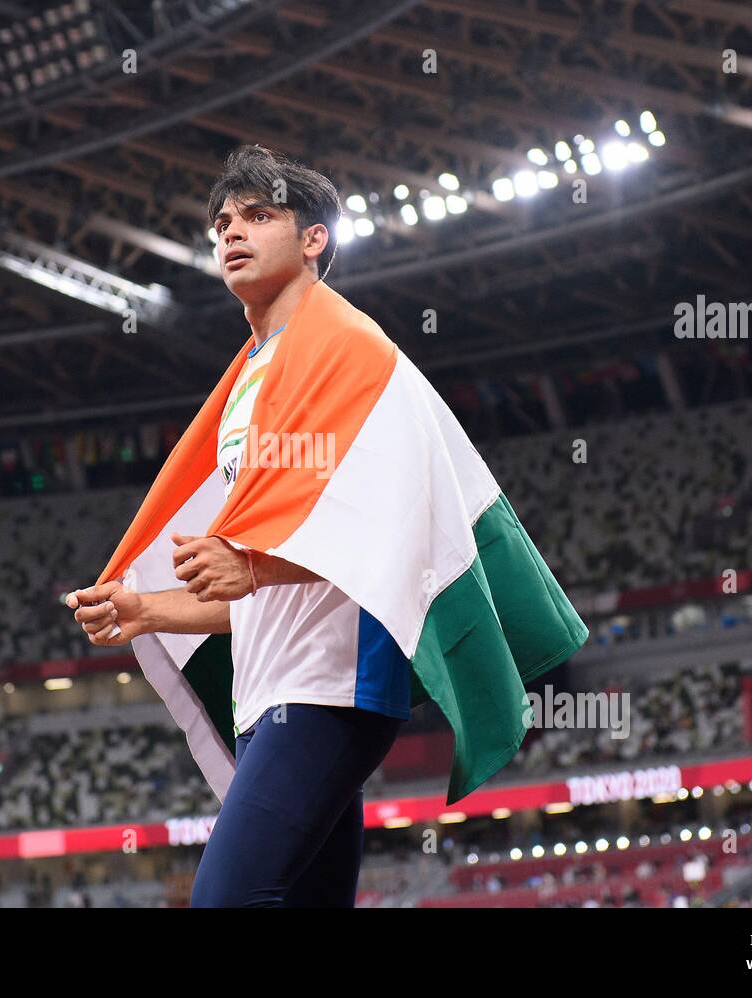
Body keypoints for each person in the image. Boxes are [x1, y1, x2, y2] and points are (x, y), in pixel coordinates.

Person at [67, 145, 586, 907]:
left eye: (259, 215)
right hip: (272, 685)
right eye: (222, 222)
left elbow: (389, 524)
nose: (231, 233)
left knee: (226, 899)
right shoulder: (248, 379)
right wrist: (150, 610)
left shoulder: (352, 351)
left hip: (332, 688)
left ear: (314, 239)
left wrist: (255, 567)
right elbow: (269, 594)